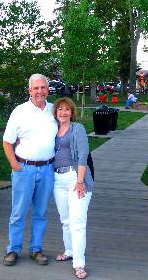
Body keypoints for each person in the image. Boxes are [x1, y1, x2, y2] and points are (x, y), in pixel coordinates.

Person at [2, 74, 58, 266]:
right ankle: (13, 249)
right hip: (23, 169)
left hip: (47, 169)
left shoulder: (54, 111)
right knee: (18, 212)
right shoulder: (20, 112)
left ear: (47, 89)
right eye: (36, 88)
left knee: (41, 212)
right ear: (29, 90)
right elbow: (7, 141)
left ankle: (36, 249)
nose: (40, 91)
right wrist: (14, 165)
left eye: (43, 87)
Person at [52, 98, 93, 279]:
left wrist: (80, 180)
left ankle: (79, 264)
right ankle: (69, 250)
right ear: (56, 112)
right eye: (60, 109)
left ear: (72, 112)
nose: (63, 112)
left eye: (67, 109)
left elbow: (83, 155)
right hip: (57, 179)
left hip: (75, 178)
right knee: (65, 220)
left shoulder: (78, 129)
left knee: (77, 223)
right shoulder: (53, 129)